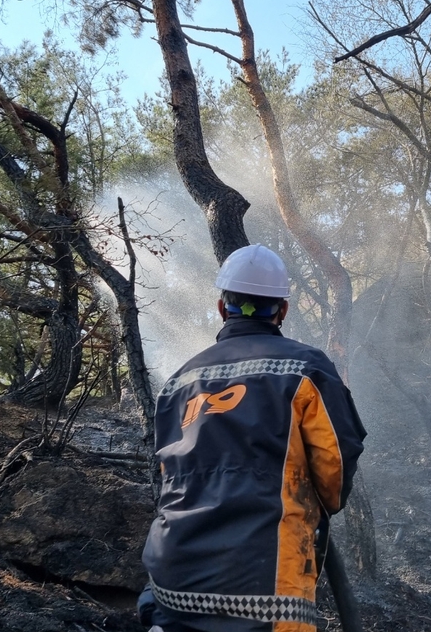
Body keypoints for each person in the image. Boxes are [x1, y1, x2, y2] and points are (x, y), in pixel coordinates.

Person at [139, 244, 367, 632]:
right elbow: (335, 467)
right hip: (264, 580)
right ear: (282, 310)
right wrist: (319, 504)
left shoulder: (178, 381)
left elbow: (167, 473)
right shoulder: (306, 369)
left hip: (171, 579)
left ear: (220, 307)